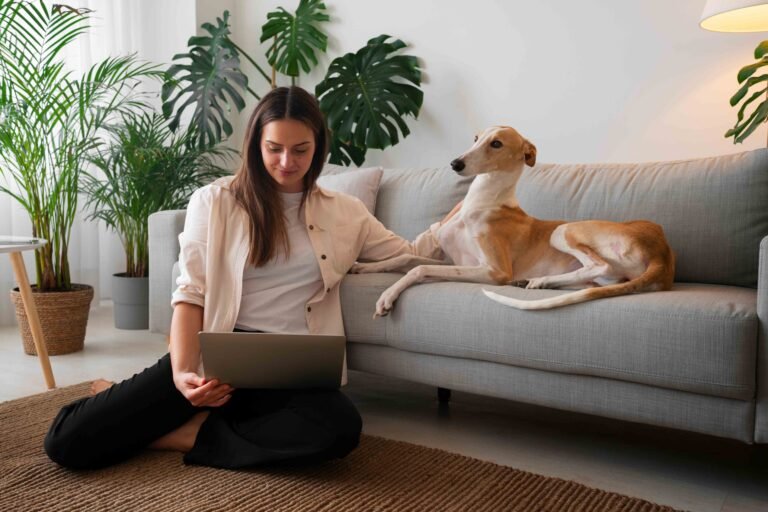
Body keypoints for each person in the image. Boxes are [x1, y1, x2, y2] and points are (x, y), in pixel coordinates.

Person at [43, 86, 445, 470]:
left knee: (339, 429)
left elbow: (407, 254)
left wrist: (455, 225)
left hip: (291, 368)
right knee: (66, 440)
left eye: (300, 150)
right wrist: (184, 375)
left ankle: (187, 435)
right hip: (219, 358)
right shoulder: (215, 201)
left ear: (318, 147)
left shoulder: (347, 212)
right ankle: (197, 422)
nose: (287, 162)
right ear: (256, 144)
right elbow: (191, 292)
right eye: (274, 149)